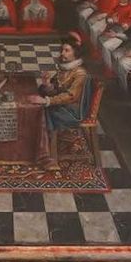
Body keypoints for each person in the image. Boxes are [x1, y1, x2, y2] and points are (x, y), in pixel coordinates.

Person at [28, 38, 90, 170]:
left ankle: (46, 154)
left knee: (42, 111)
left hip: (73, 111)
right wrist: (47, 84)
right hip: (63, 105)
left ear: (76, 53)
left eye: (67, 50)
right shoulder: (65, 68)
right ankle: (39, 143)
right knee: (39, 106)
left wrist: (47, 101)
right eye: (62, 50)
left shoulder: (80, 73)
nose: (62, 53)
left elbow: (70, 96)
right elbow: (57, 89)